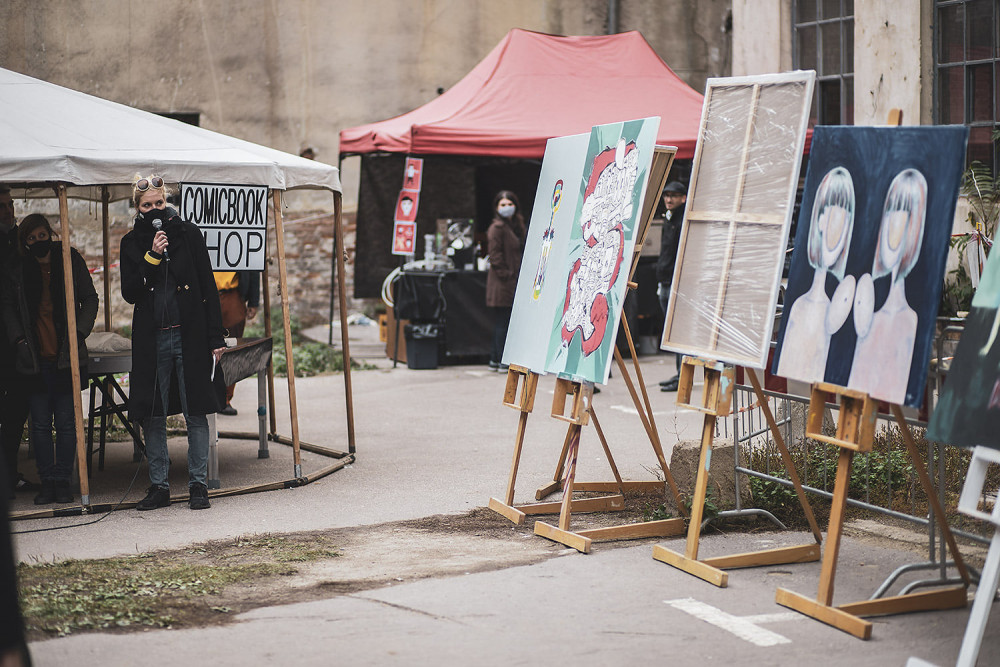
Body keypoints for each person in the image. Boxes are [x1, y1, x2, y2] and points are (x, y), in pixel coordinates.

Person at [120, 175, 227, 511]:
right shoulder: (131, 243)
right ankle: (159, 486)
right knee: (153, 413)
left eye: (159, 203)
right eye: (147, 205)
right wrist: (152, 256)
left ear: (166, 202)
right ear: (138, 209)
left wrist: (216, 336)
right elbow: (130, 292)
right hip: (154, 340)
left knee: (196, 409)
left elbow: (208, 286)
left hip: (189, 335)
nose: (155, 210)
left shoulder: (189, 234)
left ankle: (198, 485)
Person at [1, 214, 98, 505]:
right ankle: (47, 483)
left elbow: (90, 299)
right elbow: (7, 307)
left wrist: (79, 332)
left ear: (50, 233)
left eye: (42, 235)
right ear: (24, 242)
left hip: (66, 356)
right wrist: (18, 340)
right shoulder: (17, 267)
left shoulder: (69, 260)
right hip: (33, 358)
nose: (38, 242)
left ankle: (62, 482)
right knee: (40, 424)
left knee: (67, 422)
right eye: (31, 239)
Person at [0, 188, 33, 499]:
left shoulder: (17, 239)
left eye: (10, 205)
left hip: (17, 343)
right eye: (2, 206)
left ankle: (10, 473)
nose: (7, 210)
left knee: (15, 412)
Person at [486, 190, 525, 371]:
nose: (507, 208)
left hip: (511, 281)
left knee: (505, 322)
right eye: (503, 205)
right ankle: (501, 358)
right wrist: (508, 275)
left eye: (510, 204)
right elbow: (495, 256)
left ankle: (496, 358)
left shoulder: (515, 226)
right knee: (503, 322)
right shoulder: (497, 228)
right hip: (503, 284)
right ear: (496, 207)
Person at [214, 269, 260, 415]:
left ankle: (225, 398)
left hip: (233, 294)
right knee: (202, 346)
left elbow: (252, 267)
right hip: (206, 293)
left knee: (232, 348)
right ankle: (206, 395)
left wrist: (253, 300)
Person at [656, 181, 687, 392]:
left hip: (677, 283)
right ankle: (680, 374)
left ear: (683, 198)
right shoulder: (669, 217)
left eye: (674, 196)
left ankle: (683, 377)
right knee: (673, 333)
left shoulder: (684, 219)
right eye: (667, 195)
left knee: (679, 333)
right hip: (665, 280)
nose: (669, 199)